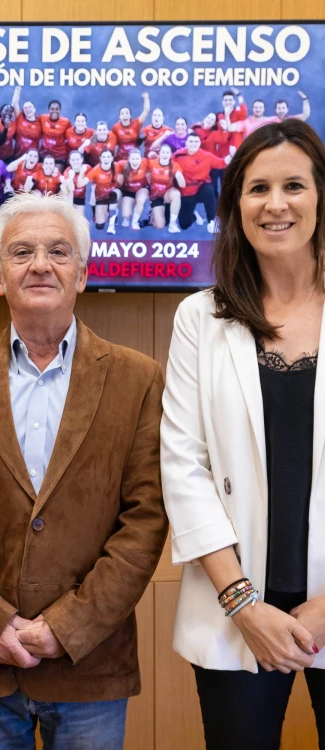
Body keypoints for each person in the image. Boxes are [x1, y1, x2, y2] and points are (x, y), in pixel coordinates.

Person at [0, 192, 167, 750]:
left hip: (90, 663)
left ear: (82, 273)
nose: (41, 264)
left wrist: (65, 628)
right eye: (22, 252)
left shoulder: (137, 379)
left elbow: (146, 521)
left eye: (59, 251)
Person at [161, 119, 325, 750]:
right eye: (257, 189)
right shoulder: (200, 318)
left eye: (294, 186)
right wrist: (243, 604)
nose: (276, 204)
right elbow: (183, 463)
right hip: (237, 611)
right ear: (235, 207)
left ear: (320, 199)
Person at [173, 132, 231, 231]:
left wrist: (232, 155)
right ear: (186, 143)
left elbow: (222, 163)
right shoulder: (177, 155)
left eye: (196, 141)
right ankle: (194, 216)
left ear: (199, 143)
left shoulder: (207, 156)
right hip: (186, 193)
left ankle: (212, 221)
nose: (193, 144)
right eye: (191, 141)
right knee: (184, 224)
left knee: (209, 189)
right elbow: (167, 165)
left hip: (201, 189)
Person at [79, 148, 121, 234]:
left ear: (112, 158)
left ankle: (111, 225)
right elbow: (81, 184)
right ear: (100, 158)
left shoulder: (117, 166)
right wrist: (81, 173)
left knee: (114, 196)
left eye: (108, 157)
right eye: (104, 157)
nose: (106, 159)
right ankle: (107, 212)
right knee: (99, 226)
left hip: (114, 192)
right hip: (101, 196)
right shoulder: (95, 170)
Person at [147, 143, 186, 233]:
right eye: (163, 152)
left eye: (167, 152)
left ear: (171, 154)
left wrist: (179, 177)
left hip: (167, 194)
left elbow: (182, 185)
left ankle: (172, 224)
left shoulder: (175, 165)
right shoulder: (152, 163)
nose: (165, 154)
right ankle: (152, 214)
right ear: (159, 154)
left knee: (176, 194)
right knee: (160, 225)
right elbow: (147, 176)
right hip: (155, 196)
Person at [117, 149, 150, 230]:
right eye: (133, 159)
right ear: (128, 159)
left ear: (141, 159)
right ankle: (127, 218)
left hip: (142, 188)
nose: (135, 161)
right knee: (125, 215)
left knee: (141, 200)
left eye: (137, 159)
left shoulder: (145, 162)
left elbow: (158, 161)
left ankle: (135, 222)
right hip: (128, 191)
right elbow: (111, 167)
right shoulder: (122, 164)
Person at [111, 93, 150, 157]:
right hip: (120, 158)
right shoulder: (116, 127)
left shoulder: (136, 123)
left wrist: (146, 98)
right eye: (122, 114)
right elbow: (113, 142)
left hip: (135, 158)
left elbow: (146, 111)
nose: (125, 115)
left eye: (127, 113)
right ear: (119, 117)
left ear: (130, 116)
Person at [38, 100, 71, 165]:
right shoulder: (42, 118)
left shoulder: (66, 122)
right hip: (44, 153)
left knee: (56, 174)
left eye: (57, 109)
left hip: (59, 155)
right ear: (48, 110)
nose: (54, 111)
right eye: (52, 109)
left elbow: (69, 135)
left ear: (60, 110)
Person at [12, 86, 42, 157]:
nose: (28, 109)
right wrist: (17, 92)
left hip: (33, 158)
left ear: (34, 109)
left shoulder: (40, 122)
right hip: (18, 155)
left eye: (30, 107)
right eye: (25, 108)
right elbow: (15, 104)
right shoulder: (20, 118)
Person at [60, 150, 90, 215]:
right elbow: (70, 189)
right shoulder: (67, 171)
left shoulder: (87, 168)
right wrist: (70, 177)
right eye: (73, 160)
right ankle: (68, 210)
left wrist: (82, 172)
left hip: (83, 197)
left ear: (82, 159)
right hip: (71, 196)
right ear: (70, 161)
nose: (75, 162)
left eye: (77, 159)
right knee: (63, 187)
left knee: (79, 217)